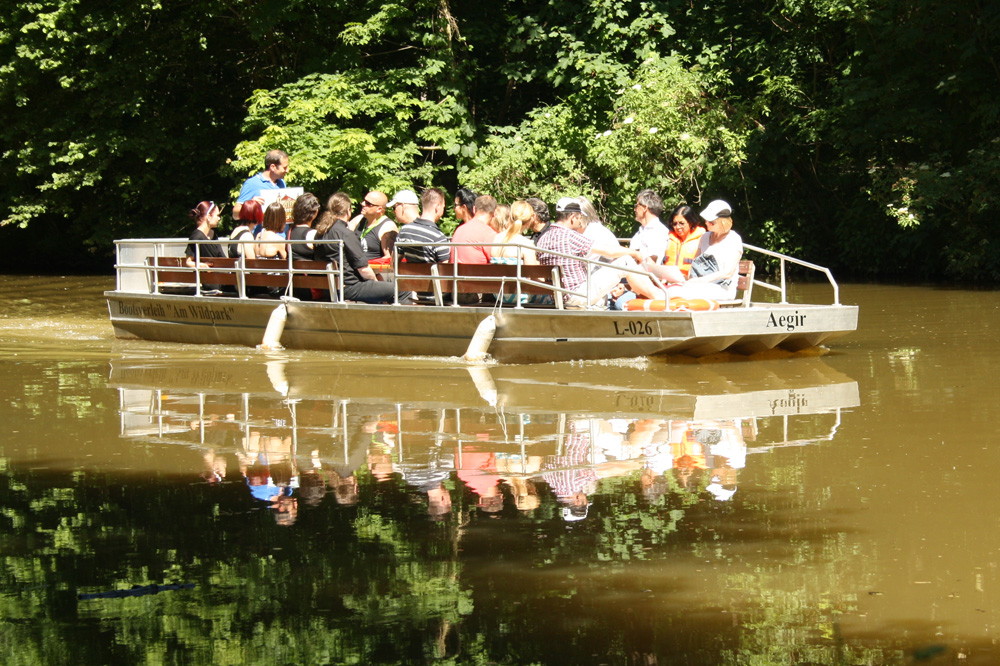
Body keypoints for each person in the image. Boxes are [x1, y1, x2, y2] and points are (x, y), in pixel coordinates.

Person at [536, 198, 645, 308]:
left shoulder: (543, 239)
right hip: (577, 295)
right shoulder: (570, 236)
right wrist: (634, 253)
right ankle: (658, 297)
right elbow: (610, 251)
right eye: (579, 218)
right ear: (572, 218)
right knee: (625, 261)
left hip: (556, 297)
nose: (580, 222)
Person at [313, 192, 413, 304]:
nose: (362, 204)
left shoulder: (320, 232)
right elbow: (363, 269)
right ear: (348, 211)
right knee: (403, 291)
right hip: (349, 287)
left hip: (328, 288)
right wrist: (375, 282)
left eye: (368, 203)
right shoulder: (345, 233)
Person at [647, 199, 743, 301]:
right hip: (701, 285)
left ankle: (656, 302)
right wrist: (681, 278)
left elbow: (728, 272)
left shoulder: (733, 239)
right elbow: (694, 265)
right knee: (672, 289)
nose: (706, 223)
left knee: (676, 292)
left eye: (711, 222)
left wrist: (700, 281)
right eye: (706, 220)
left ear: (723, 222)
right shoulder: (705, 237)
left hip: (723, 288)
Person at [395, 187, 450, 263]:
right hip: (430, 275)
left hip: (409, 275)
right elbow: (445, 270)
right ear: (437, 207)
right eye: (443, 207)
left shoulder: (404, 231)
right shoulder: (438, 238)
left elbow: (394, 263)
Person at [233, 150, 289, 220]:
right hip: (262, 230)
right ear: (272, 167)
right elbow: (235, 215)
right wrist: (251, 204)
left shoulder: (282, 183)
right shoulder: (252, 183)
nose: (287, 170)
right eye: (284, 168)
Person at [662, 204, 705, 279]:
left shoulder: (702, 239)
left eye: (681, 223)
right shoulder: (667, 238)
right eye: (675, 224)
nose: (678, 227)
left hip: (690, 283)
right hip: (667, 280)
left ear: (691, 222)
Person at [452, 194, 497, 264]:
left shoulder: (458, 230)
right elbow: (497, 261)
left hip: (454, 273)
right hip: (477, 274)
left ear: (474, 209)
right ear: (494, 213)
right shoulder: (490, 234)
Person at [629, 189, 670, 264]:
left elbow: (651, 264)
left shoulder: (658, 232)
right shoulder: (641, 231)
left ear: (644, 208)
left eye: (636, 206)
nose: (634, 209)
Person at [491, 199, 538, 265]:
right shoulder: (526, 245)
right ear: (530, 220)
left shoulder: (495, 238)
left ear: (509, 215)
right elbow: (532, 274)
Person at [355, 190, 397, 263]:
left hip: (372, 272)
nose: (362, 204)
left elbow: (390, 259)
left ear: (379, 209)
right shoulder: (359, 220)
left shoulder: (387, 227)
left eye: (368, 203)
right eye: (364, 201)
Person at [184, 201, 226, 268]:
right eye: (217, 215)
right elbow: (188, 262)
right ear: (209, 217)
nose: (219, 218)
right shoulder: (196, 236)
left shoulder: (213, 234)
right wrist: (203, 265)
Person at [287, 193, 320, 261]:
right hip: (310, 271)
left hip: (292, 271)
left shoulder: (289, 232)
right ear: (315, 213)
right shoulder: (313, 234)